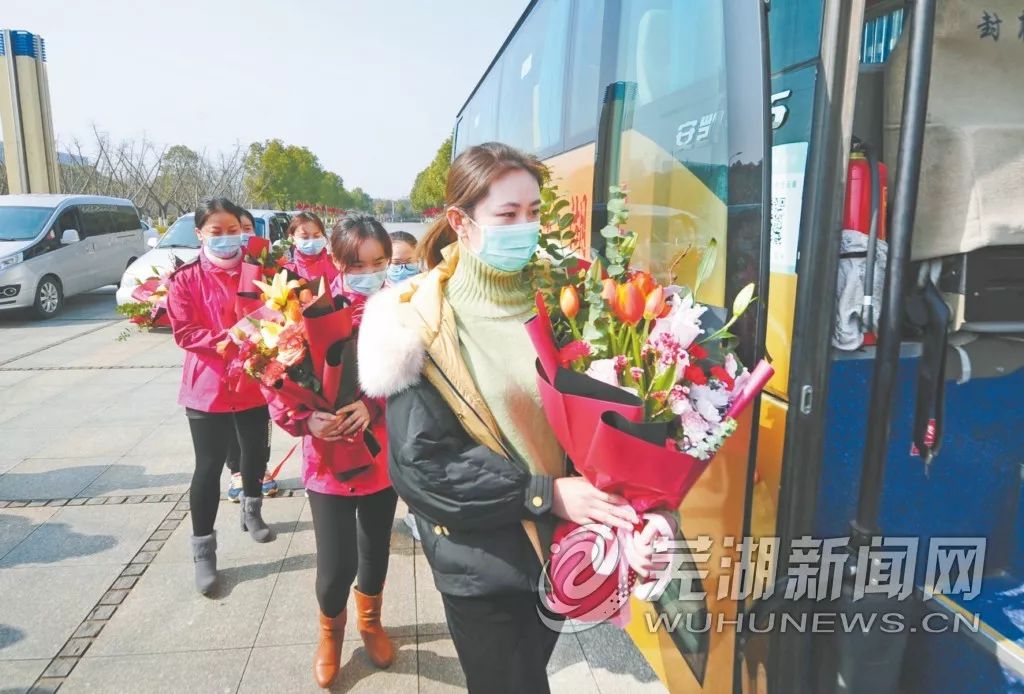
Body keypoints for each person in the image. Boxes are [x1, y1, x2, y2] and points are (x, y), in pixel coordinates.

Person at [357, 143, 655, 693]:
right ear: (460, 222)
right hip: (482, 565)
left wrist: (634, 505)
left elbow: (595, 424)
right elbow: (422, 468)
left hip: (558, 552)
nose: (526, 227)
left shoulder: (565, 301)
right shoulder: (414, 322)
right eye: (507, 215)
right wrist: (545, 495)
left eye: (535, 212)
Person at [266, 213, 397, 688]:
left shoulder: (402, 309)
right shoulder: (306, 311)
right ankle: (331, 632)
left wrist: (372, 407)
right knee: (335, 565)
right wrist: (306, 419)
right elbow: (275, 382)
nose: (371, 273)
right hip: (327, 464)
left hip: (381, 459)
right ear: (337, 262)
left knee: (374, 553)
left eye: (380, 262)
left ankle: (371, 623)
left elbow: (417, 380)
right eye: (358, 265)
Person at [166, 198, 275, 597]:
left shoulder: (260, 272)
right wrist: (229, 340)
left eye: (234, 230)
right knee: (208, 467)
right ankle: (204, 552)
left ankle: (252, 509)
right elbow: (186, 333)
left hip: (252, 382)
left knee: (255, 453)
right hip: (207, 387)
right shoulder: (184, 280)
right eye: (216, 231)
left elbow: (278, 313)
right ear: (200, 234)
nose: (227, 238)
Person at [225, 207, 279, 502]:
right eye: (237, 228)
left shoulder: (268, 267)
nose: (243, 235)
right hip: (224, 355)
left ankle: (262, 469)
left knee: (261, 416)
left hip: (261, 349)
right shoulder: (215, 268)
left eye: (247, 228)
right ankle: (236, 470)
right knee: (232, 417)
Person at [386, 231, 422, 541]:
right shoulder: (377, 299)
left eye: (407, 262)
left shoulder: (429, 294)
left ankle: (416, 513)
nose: (400, 269)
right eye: (394, 263)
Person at [284, 211, 339, 285]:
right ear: (292, 239)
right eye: (305, 237)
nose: (311, 241)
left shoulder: (336, 264)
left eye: (316, 236)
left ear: (323, 236)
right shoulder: (286, 272)